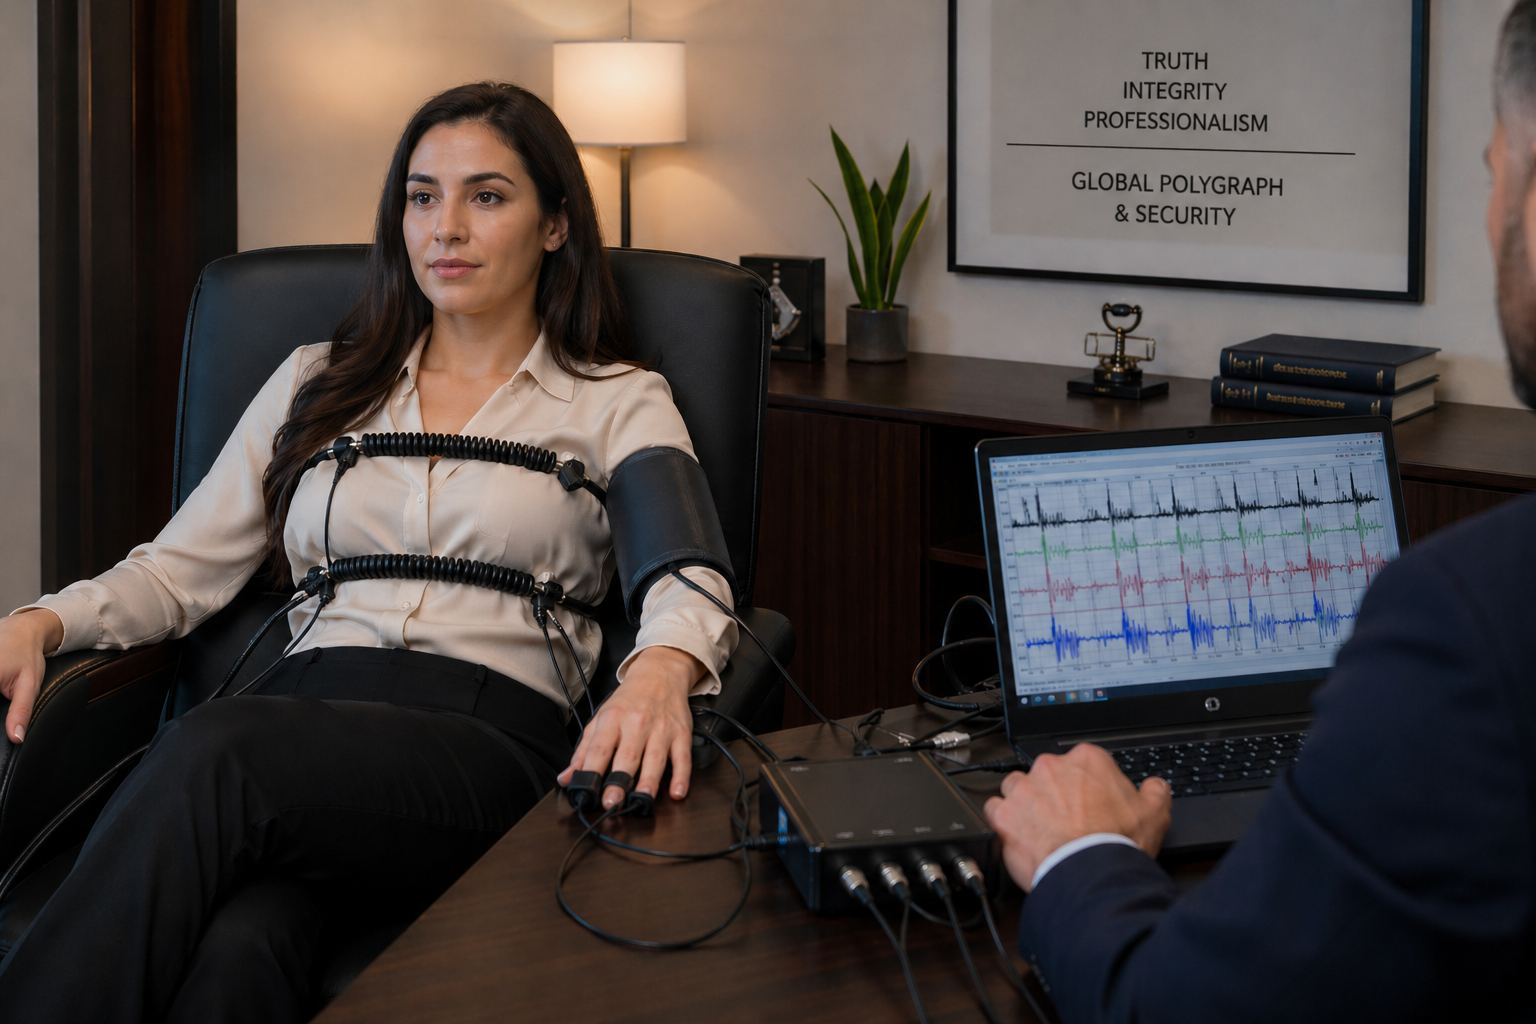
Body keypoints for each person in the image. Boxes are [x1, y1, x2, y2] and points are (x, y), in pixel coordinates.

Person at [0, 82, 736, 1022]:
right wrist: (43, 620)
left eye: (487, 196)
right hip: (303, 724)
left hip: (485, 743)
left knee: (214, 751)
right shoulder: (317, 379)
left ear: (556, 224)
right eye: (423, 197)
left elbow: (686, 570)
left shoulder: (617, 398)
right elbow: (180, 570)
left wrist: (663, 668)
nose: (446, 228)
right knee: (243, 947)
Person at [981, 6, 1536, 1022]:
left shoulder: (1473, 618)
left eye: (1498, 169)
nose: (1491, 205)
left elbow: (1175, 1007)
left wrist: (1081, 854)